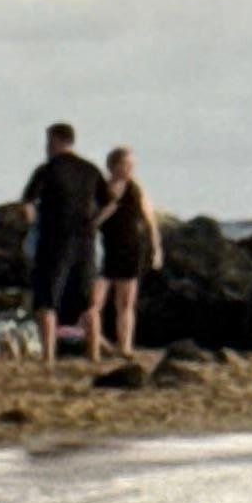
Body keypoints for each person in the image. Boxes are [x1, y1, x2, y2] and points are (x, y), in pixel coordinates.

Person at [21, 120, 108, 371]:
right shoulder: (91, 170)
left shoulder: (47, 170)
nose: (46, 147)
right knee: (88, 304)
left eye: (48, 142)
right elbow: (109, 203)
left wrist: (33, 225)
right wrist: (93, 223)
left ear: (56, 141)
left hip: (53, 242)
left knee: (47, 302)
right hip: (85, 242)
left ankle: (48, 356)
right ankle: (94, 356)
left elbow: (27, 203)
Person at [93, 148, 160, 369]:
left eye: (132, 165)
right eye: (126, 164)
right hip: (105, 250)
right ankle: (99, 344)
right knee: (93, 304)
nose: (130, 169)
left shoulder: (136, 189)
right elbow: (92, 220)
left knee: (126, 302)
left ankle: (125, 347)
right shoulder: (101, 189)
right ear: (113, 165)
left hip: (131, 249)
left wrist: (156, 249)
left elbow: (150, 220)